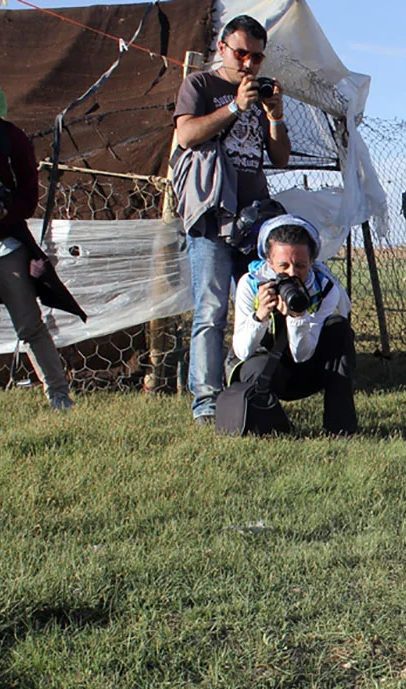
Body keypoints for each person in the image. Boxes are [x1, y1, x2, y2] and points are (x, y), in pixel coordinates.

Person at [173, 14, 291, 425]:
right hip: (210, 213)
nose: (249, 64)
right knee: (210, 310)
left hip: (253, 219)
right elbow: (187, 136)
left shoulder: (261, 93)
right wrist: (234, 108)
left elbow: (279, 158)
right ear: (221, 48)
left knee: (261, 303)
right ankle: (205, 402)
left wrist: (274, 114)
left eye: (257, 57)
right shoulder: (200, 86)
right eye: (241, 53)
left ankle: (249, 389)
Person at [0, 68, 86, 411]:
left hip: (4, 241)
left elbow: (29, 194)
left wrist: (2, 211)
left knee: (29, 322)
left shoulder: (10, 138)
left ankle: (60, 397)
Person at [229, 215, 357, 435]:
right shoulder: (250, 285)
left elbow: (302, 355)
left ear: (312, 261)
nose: (292, 274)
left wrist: (298, 318)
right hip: (266, 370)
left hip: (304, 366)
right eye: (283, 266)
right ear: (269, 262)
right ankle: (279, 428)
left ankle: (340, 428)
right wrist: (259, 317)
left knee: (339, 329)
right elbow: (242, 351)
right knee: (255, 369)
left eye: (300, 266)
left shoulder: (326, 289)